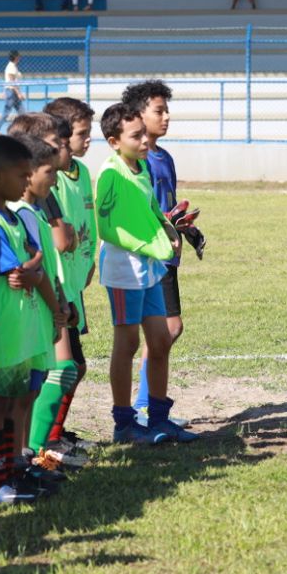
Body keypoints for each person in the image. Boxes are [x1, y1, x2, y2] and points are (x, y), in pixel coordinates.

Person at [94, 101, 180, 445]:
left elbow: (149, 210)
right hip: (123, 272)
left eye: (144, 133)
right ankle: (123, 424)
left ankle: (158, 419)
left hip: (149, 270)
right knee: (127, 343)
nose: (145, 140)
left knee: (160, 340)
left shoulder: (141, 167)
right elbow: (106, 227)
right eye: (136, 135)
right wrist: (150, 247)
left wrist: (168, 229)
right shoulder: (110, 173)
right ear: (114, 141)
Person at [0, 135, 46, 504]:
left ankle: (14, 472)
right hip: (3, 328)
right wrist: (33, 266)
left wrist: (32, 266)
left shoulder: (12, 217)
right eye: (21, 175)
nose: (26, 182)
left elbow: (33, 261)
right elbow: (14, 269)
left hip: (22, 326)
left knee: (16, 398)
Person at [127, 80, 200, 437]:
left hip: (167, 256)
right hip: (153, 257)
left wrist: (183, 227)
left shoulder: (164, 157)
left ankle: (149, 404)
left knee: (166, 330)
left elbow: (167, 208)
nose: (166, 117)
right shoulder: (138, 163)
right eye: (159, 110)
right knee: (165, 330)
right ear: (139, 115)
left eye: (167, 110)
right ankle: (144, 405)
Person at [7, 133, 69, 493]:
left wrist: (60, 299)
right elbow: (33, 269)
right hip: (29, 316)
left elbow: (45, 267)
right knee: (21, 396)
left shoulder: (32, 212)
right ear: (27, 173)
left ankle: (26, 456)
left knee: (31, 390)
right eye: (49, 171)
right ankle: (17, 463)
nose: (55, 178)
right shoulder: (22, 214)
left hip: (41, 312)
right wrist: (56, 305)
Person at [41, 97, 99, 449]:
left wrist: (89, 258)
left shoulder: (83, 173)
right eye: (81, 133)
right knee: (66, 367)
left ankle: (55, 434)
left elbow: (88, 219)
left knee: (75, 367)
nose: (86, 139)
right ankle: (44, 441)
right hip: (57, 282)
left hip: (74, 282)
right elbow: (60, 239)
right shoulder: (53, 178)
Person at [0, 50, 24, 133]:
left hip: (12, 91)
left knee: (22, 113)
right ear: (15, 57)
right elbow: (11, 82)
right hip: (11, 92)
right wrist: (18, 93)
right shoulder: (11, 67)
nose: (20, 58)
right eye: (18, 56)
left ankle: (25, 129)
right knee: (6, 112)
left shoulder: (13, 66)